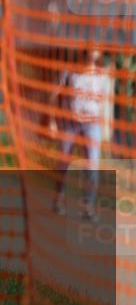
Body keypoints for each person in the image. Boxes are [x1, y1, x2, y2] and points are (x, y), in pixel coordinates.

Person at [49, 47, 113, 220]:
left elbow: (106, 103)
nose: (93, 51)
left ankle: (89, 207)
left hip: (92, 125)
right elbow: (54, 95)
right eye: (90, 47)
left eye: (97, 49)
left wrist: (106, 128)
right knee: (64, 162)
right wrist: (52, 121)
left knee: (92, 164)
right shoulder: (70, 72)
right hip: (70, 122)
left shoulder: (103, 77)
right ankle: (59, 199)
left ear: (99, 54)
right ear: (84, 51)